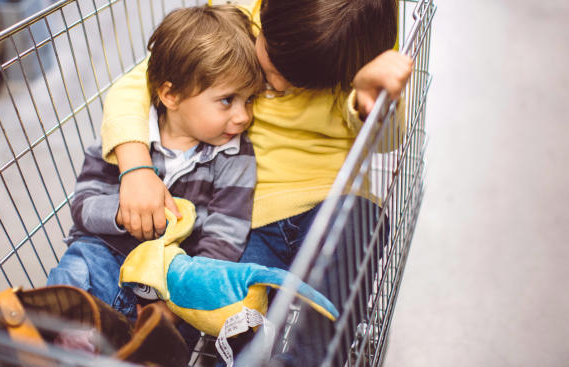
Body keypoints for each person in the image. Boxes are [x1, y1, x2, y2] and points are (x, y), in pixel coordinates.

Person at [100, 0, 412, 365]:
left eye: (298, 82)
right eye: (271, 61)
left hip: (334, 203)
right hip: (246, 216)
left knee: (355, 237)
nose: (275, 83)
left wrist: (367, 100)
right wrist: (136, 169)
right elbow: (139, 83)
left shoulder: (352, 48)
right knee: (234, 313)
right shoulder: (241, 16)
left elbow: (389, 138)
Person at [46, 4, 263, 353]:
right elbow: (83, 207)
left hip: (169, 280)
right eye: (227, 100)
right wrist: (122, 213)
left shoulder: (235, 157)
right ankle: (56, 340)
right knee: (74, 270)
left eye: (249, 99)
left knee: (172, 339)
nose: (242, 116)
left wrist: (179, 298)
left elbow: (227, 234)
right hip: (106, 254)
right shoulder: (127, 140)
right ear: (170, 95)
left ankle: (125, 348)